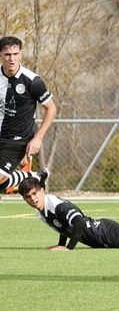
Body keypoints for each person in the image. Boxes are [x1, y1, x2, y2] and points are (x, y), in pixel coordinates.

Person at [1, 36, 56, 194]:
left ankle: (31, 176)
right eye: (7, 55)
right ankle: (35, 176)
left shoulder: (32, 81)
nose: (12, 59)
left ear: (21, 55)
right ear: (1, 55)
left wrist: (38, 138)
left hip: (16, 140)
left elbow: (51, 108)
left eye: (15, 54)